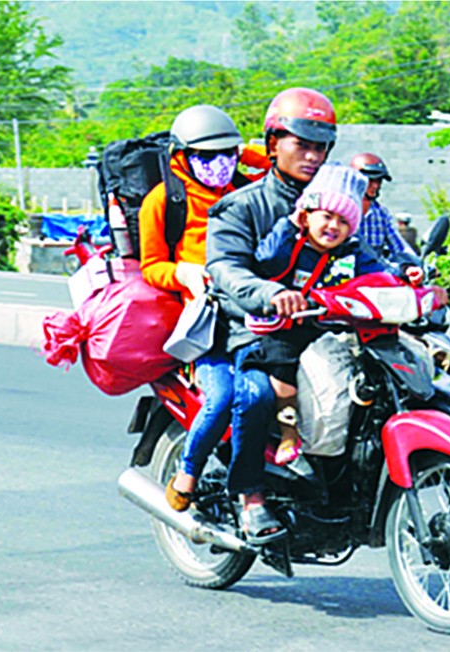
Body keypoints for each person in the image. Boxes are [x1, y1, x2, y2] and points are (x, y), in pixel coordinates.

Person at [206, 87, 343, 543]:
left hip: (323, 326)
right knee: (258, 395)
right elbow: (224, 267)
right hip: (253, 328)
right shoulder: (242, 205)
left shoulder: (338, 204)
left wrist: (409, 280)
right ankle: (252, 498)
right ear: (272, 145)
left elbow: (371, 253)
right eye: (301, 144)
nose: (312, 155)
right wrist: (270, 294)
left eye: (320, 146)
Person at [137, 104, 249, 512]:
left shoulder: (244, 191)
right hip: (209, 326)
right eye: (206, 156)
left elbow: (270, 160)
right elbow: (152, 267)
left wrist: (240, 151)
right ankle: (188, 472)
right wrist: (182, 273)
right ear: (181, 155)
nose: (219, 164)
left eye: (227, 155)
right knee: (224, 397)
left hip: (255, 315)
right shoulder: (165, 200)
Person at [244, 163, 392, 465]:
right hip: (290, 327)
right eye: (326, 216)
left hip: (334, 329)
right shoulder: (291, 244)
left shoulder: (352, 252)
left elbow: (382, 274)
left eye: (343, 221)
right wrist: (288, 225)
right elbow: (266, 261)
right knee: (281, 369)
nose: (333, 226)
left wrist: (407, 277)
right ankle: (289, 431)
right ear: (306, 215)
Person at [349, 152, 422, 271]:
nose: (375, 186)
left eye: (379, 181)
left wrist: (415, 265)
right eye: (370, 180)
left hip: (375, 277)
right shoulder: (342, 213)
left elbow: (400, 247)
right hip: (343, 278)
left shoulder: (381, 214)